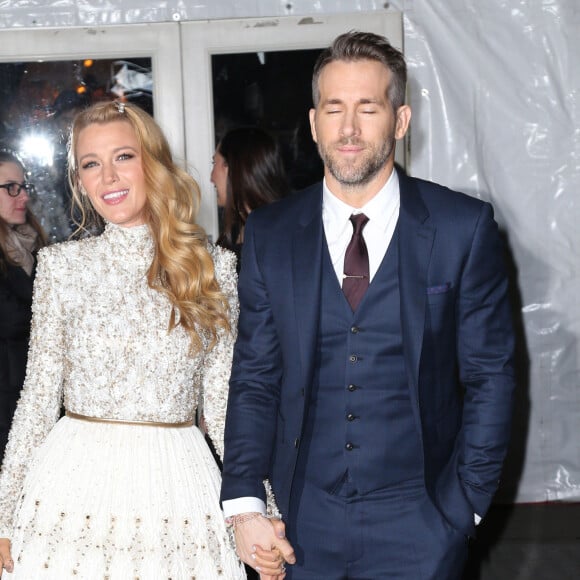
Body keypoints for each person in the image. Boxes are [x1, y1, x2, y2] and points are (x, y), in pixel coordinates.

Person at [220, 31, 516, 579]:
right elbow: (256, 375)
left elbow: (490, 376)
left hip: (422, 520)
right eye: (334, 109)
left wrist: (465, 503)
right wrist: (243, 503)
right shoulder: (270, 234)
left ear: (400, 121)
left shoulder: (461, 228)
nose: (349, 128)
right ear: (313, 124)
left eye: (367, 108)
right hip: (302, 519)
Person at [0, 101, 283, 578]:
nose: (108, 177)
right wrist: (4, 514)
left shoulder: (213, 268)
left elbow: (225, 405)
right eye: (91, 164)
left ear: (153, 163)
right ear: (79, 181)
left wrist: (260, 511)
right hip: (71, 490)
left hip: (177, 490)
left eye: (123, 157)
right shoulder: (61, 268)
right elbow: (37, 398)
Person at [0, 151, 46, 463]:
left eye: (24, 186)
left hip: (33, 395)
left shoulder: (33, 246)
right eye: (11, 187)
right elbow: (11, 320)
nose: (24, 196)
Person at [211, 126, 289, 271]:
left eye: (214, 163)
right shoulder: (237, 229)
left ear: (232, 167)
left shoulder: (276, 240)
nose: (211, 178)